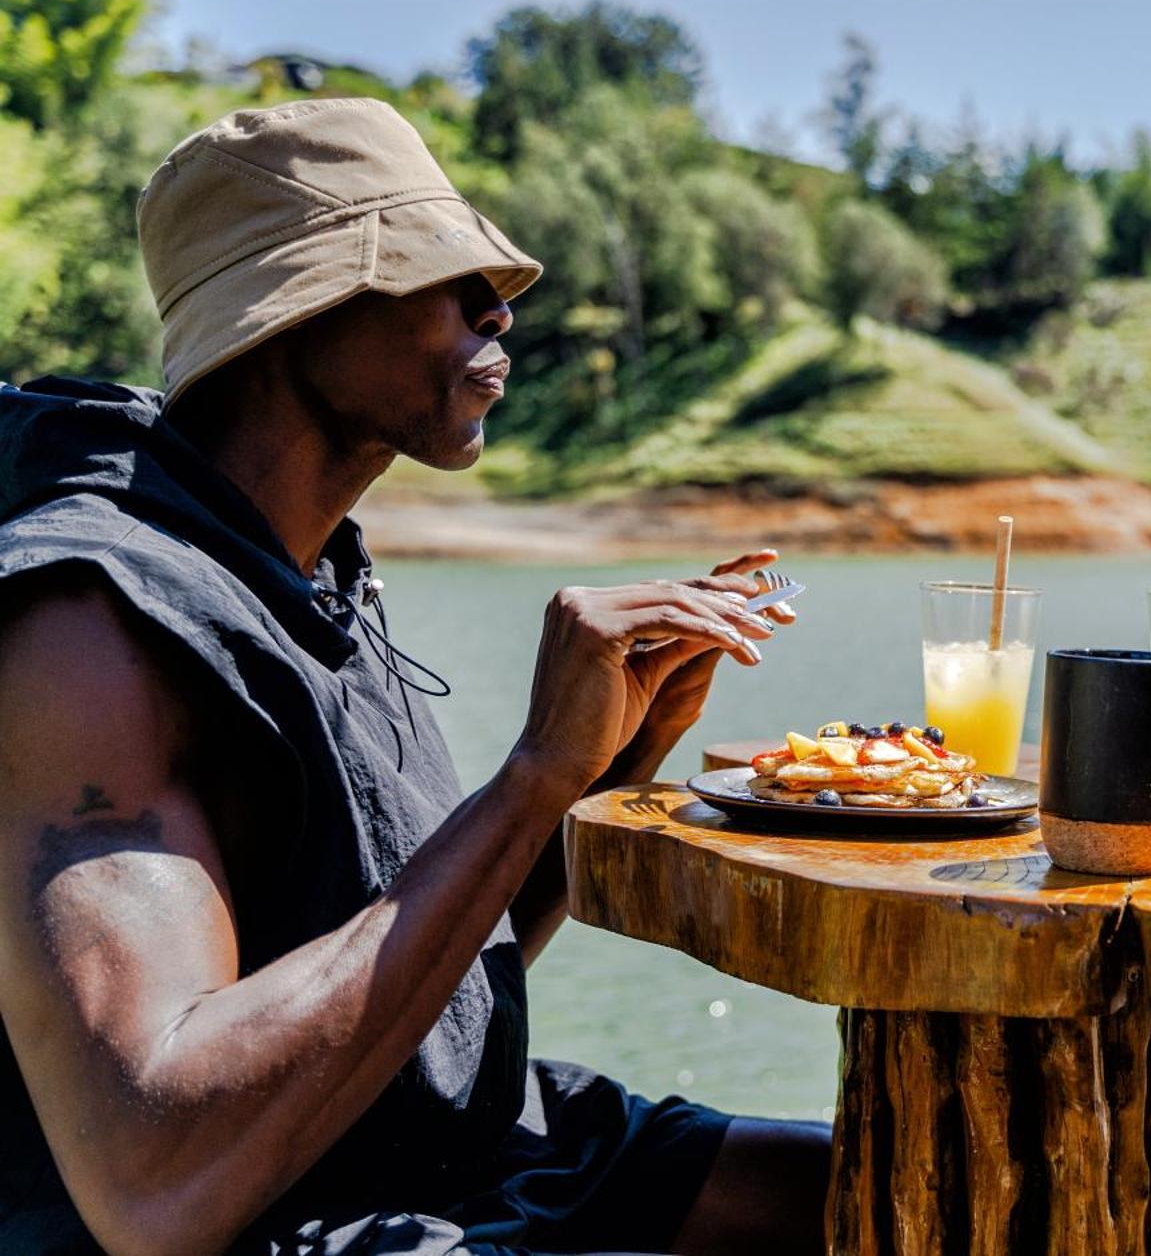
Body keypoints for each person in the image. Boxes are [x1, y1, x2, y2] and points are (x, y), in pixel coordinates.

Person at [0, 99, 828, 1254]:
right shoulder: (87, 628)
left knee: (913, 1187)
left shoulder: (312, 578)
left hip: (453, 1148)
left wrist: (605, 760)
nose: (499, 305)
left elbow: (433, 980)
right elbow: (157, 1180)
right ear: (286, 313)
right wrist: (532, 775)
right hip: (299, 1225)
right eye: (441, 274)